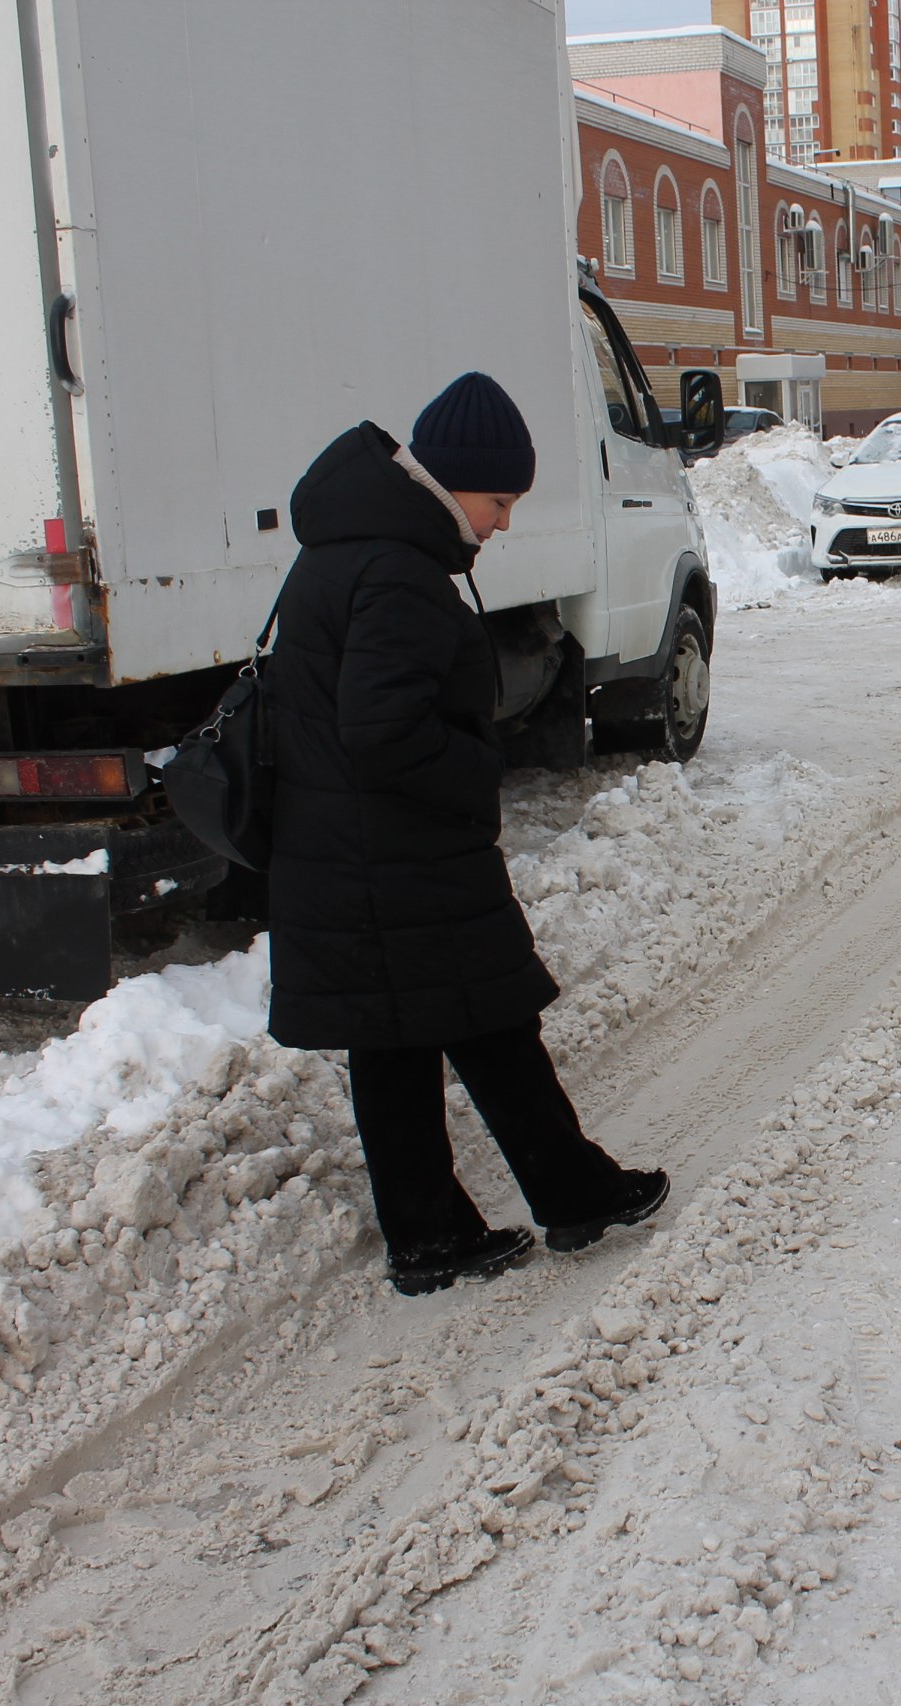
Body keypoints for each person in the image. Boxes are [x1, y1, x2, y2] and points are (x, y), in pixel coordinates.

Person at [264, 371, 669, 1296]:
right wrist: (476, 768)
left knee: (399, 1041)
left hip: (352, 848)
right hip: (399, 854)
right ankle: (567, 1197)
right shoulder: (398, 572)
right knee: (489, 1020)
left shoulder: (353, 548)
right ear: (453, 482)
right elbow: (382, 728)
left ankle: (435, 1235)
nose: (503, 523)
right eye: (499, 502)